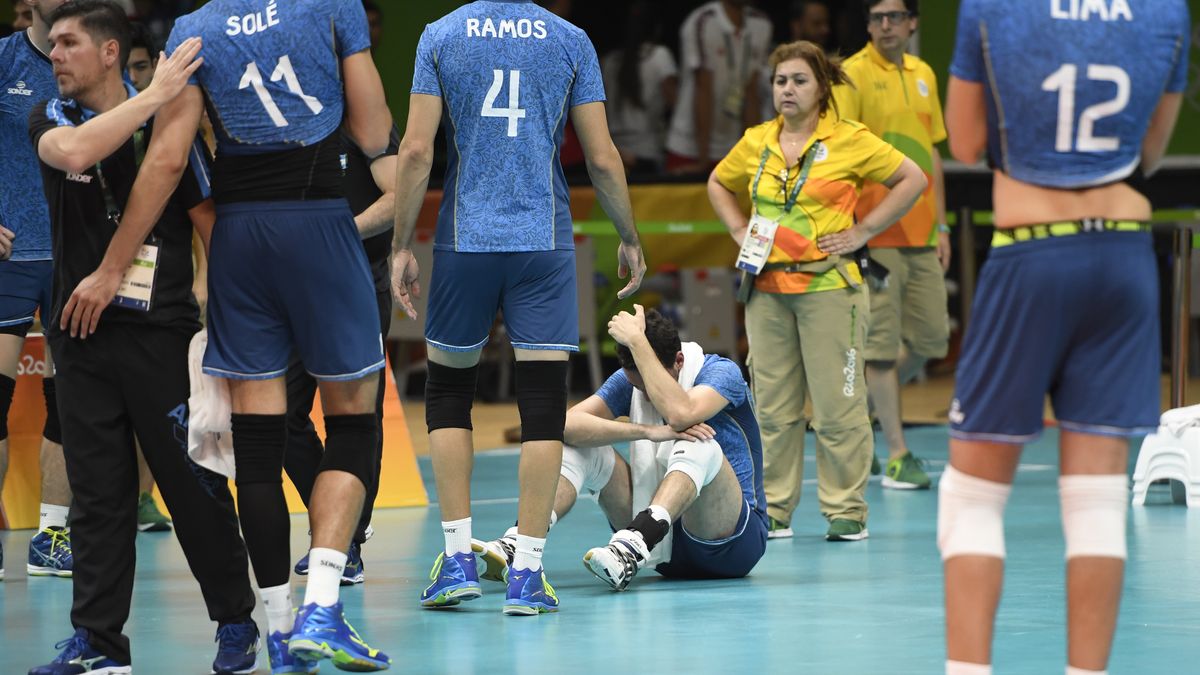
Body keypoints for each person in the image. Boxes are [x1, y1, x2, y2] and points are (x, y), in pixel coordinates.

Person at [941, 2, 1189, 674]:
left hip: (1032, 250)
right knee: (1097, 501)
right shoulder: (1165, 10)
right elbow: (1151, 151)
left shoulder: (991, 8)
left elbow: (964, 144)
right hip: (1124, 257)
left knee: (971, 496)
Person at [25, 3, 263, 673]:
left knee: (193, 485)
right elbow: (75, 153)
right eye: (54, 43)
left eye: (69, 43)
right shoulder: (50, 118)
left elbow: (211, 223)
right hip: (78, 335)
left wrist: (225, 319)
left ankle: (235, 621)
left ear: (109, 52)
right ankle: (100, 644)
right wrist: (156, 93)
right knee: (97, 495)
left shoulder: (169, 133)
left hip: (160, 333)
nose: (56, 54)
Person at [391, 0, 645, 616]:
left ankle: (455, 561)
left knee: (449, 395)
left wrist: (401, 243)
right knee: (540, 407)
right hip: (543, 240)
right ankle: (526, 572)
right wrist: (629, 236)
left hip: (465, 238)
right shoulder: (569, 38)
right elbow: (603, 156)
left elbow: (417, 152)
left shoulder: (441, 34)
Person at [707, 40, 926, 542]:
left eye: (799, 80)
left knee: (838, 404)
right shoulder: (757, 139)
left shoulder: (850, 139)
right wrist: (740, 231)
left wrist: (863, 232)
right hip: (765, 289)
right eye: (780, 81)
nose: (787, 89)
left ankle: (846, 509)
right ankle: (775, 508)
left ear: (822, 88)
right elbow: (719, 182)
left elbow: (912, 178)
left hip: (831, 288)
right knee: (774, 407)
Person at [476, 307, 767, 591]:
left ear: (679, 360)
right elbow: (565, 425)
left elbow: (682, 414)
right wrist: (648, 431)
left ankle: (633, 544)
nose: (644, 394)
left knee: (700, 442)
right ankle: (522, 542)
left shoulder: (720, 372)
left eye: (648, 386)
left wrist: (638, 341)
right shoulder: (631, 381)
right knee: (581, 446)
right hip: (666, 553)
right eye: (636, 387)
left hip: (731, 544)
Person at [833, 0, 946, 491]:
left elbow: (932, 152)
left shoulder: (925, 73)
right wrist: (854, 229)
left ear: (913, 23)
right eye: (877, 18)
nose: (885, 25)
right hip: (876, 234)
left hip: (922, 233)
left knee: (930, 340)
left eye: (895, 16)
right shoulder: (852, 75)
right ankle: (897, 453)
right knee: (879, 350)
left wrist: (940, 227)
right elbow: (840, 153)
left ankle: (861, 409)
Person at [288, 123, 399, 586]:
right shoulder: (282, 118)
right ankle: (337, 520)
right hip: (289, 285)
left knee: (355, 421)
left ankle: (344, 539)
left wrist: (340, 234)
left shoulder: (364, 122)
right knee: (280, 416)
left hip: (358, 280)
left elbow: (401, 194)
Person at [0, 0, 75, 583]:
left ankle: (52, 535)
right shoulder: (3, 59)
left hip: (77, 261)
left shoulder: (101, 63)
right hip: (7, 258)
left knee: (73, 404)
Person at [665, 0, 773, 175]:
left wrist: (753, 154)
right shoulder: (703, 21)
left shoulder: (761, 23)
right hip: (689, 147)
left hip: (731, 145)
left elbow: (752, 94)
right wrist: (703, 161)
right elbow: (703, 89)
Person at [601, 0, 678, 176]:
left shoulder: (609, 62)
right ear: (657, 28)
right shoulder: (660, 56)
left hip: (614, 154)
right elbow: (674, 103)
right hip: (647, 155)